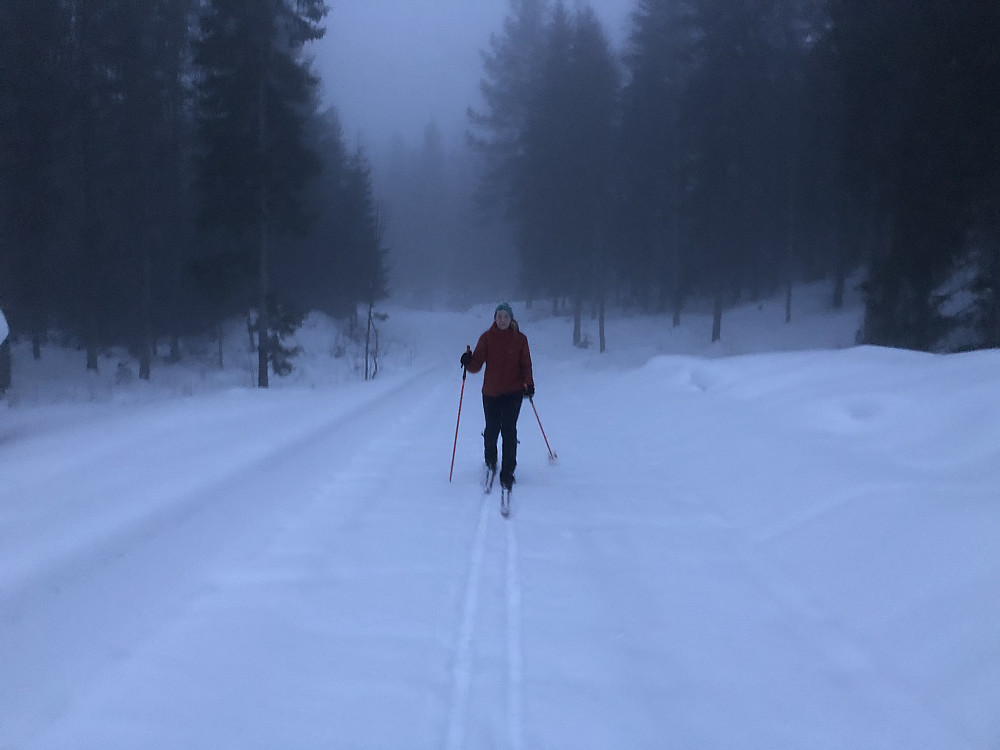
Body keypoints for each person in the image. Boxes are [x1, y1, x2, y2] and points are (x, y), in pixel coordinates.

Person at [460, 302, 535, 491]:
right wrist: (467, 361)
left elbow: (526, 363)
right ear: (495, 318)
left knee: (509, 430)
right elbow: (476, 365)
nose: (502, 320)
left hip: (513, 391)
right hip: (491, 392)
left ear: (511, 319)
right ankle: (491, 460)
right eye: (499, 316)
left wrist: (529, 384)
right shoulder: (487, 338)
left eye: (506, 317)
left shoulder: (520, 339)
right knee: (492, 429)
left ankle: (508, 471)